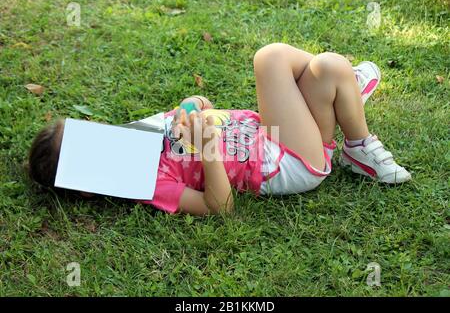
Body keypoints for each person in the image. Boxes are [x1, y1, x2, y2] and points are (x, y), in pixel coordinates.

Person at [27, 43, 411, 216]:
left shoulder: (139, 134)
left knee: (328, 65)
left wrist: (192, 107)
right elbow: (220, 207)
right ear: (90, 185)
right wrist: (208, 147)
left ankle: (357, 143)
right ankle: (346, 101)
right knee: (271, 58)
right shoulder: (146, 183)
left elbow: (198, 106)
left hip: (274, 130)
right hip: (285, 161)